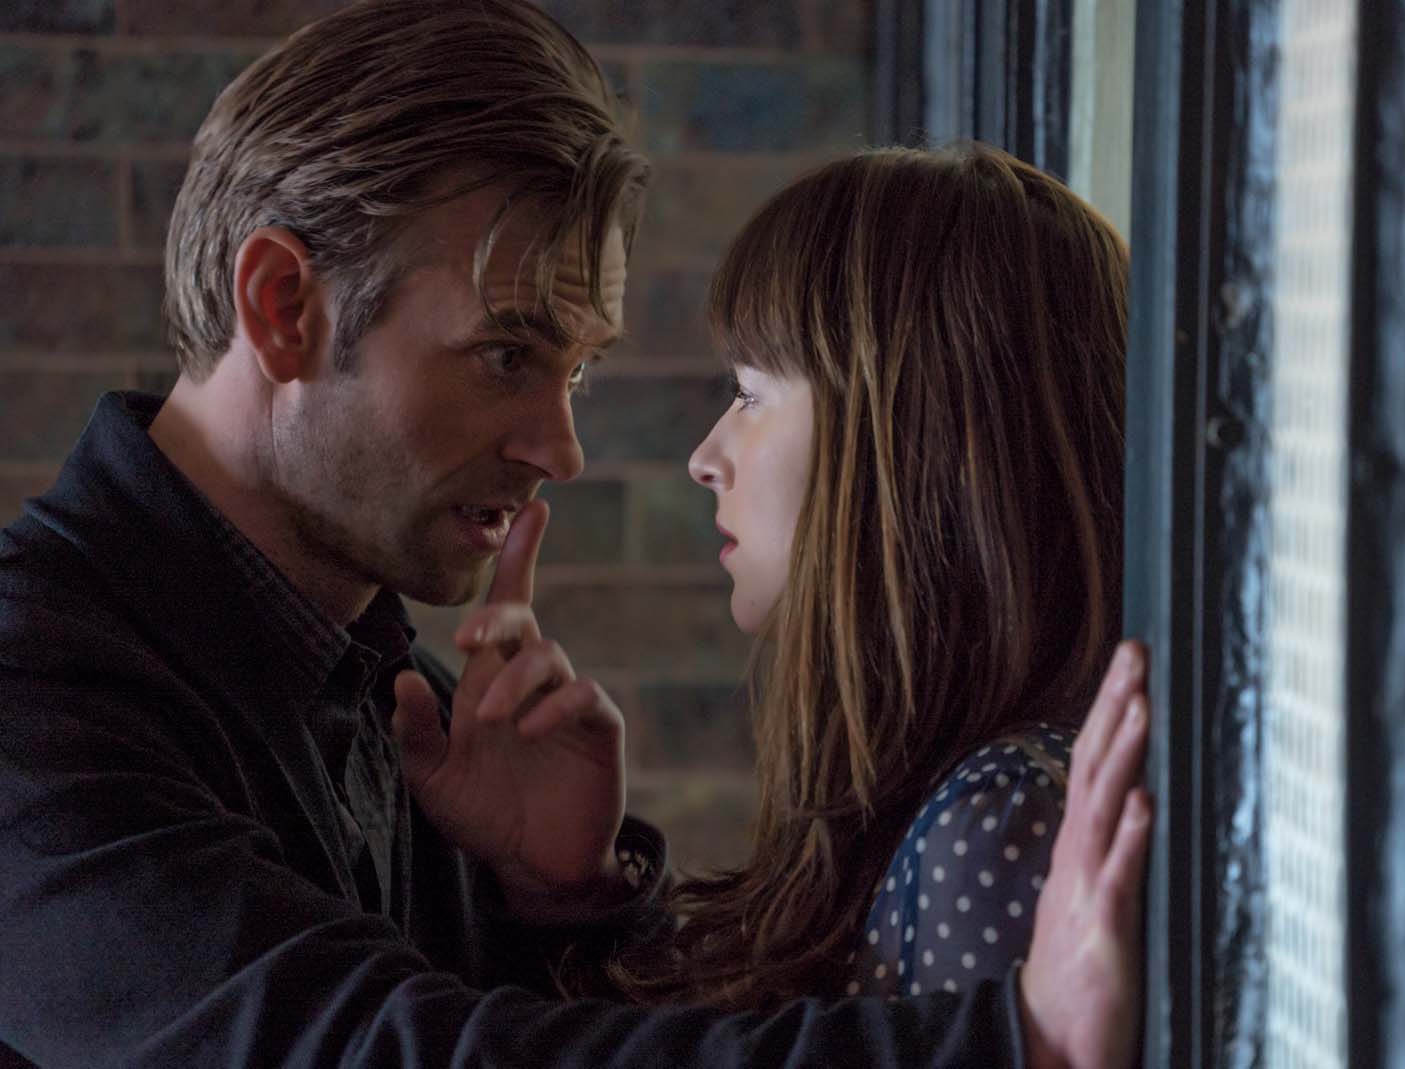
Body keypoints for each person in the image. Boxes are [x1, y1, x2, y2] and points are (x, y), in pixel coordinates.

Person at [0, 1, 1150, 1066]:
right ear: (281, 306)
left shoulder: (403, 708)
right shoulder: (32, 690)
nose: (560, 448)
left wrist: (563, 904)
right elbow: (363, 1050)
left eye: (577, 373)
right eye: (505, 354)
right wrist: (1009, 1041)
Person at [610, 145, 1143, 1010]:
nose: (705, 457)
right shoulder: (960, 795)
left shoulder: (997, 820)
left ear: (907, 434)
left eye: (751, 393)